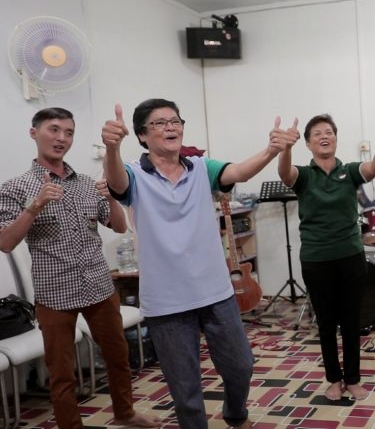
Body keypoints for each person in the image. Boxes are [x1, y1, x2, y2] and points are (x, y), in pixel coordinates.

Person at [101, 99, 299, 428]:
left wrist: (270, 151)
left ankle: (235, 413)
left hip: (215, 291)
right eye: (160, 123)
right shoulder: (134, 175)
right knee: (186, 389)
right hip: (166, 301)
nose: (171, 127)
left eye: (175, 121)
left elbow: (237, 171)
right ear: (141, 136)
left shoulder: (199, 167)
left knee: (241, 365)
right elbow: (117, 183)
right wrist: (111, 148)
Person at [0, 108, 160, 429]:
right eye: (54, 130)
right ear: (34, 133)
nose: (62, 138)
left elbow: (118, 227)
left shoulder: (87, 183)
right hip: (54, 293)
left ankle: (125, 413)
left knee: (118, 358)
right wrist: (36, 206)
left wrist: (112, 197)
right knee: (62, 374)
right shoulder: (14, 188)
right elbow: (5, 242)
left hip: (99, 287)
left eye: (69, 132)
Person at [277, 114, 375, 401]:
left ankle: (353, 379)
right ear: (307, 143)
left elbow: (373, 170)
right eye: (317, 134)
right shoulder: (303, 174)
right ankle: (333, 379)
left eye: (329, 132)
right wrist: (285, 148)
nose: (324, 136)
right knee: (326, 322)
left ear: (336, 138)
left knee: (352, 320)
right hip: (316, 258)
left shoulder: (349, 171)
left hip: (350, 255)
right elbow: (284, 174)